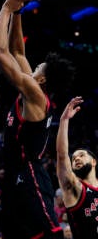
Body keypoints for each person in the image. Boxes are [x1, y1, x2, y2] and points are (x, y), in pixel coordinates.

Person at [0, 0, 76, 238]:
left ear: (43, 79)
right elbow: (17, 50)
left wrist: (6, 8)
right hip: (15, 175)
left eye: (39, 67)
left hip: (30, 176)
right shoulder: (33, 89)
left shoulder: (35, 94)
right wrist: (19, 11)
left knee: (47, 234)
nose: (33, 65)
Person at [56, 96, 98, 238]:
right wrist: (64, 120)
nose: (77, 158)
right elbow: (62, 156)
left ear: (94, 162)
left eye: (81, 155)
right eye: (74, 158)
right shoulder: (74, 188)